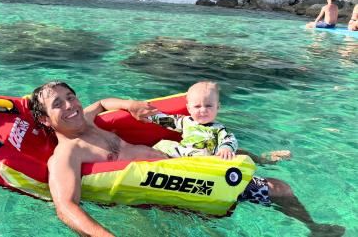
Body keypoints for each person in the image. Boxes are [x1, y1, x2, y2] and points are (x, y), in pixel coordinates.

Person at [29, 81, 344, 237]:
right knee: (280, 189)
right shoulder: (65, 154)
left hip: (178, 160)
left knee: (237, 156)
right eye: (59, 104)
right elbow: (65, 206)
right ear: (45, 121)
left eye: (71, 96)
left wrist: (128, 103)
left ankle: (264, 164)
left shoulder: (86, 119)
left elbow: (100, 102)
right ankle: (315, 229)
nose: (70, 105)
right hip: (181, 181)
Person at [152, 81, 291, 164]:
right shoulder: (185, 121)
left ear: (217, 107)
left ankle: (267, 159)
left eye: (208, 106)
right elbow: (167, 121)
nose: (203, 110)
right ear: (189, 108)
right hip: (186, 153)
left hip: (209, 157)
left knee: (242, 154)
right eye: (197, 106)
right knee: (163, 144)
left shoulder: (219, 129)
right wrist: (150, 116)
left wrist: (226, 148)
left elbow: (230, 140)